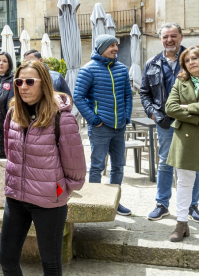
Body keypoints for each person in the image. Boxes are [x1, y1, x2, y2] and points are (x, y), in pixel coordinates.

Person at [0, 61, 86, 275]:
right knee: (7, 260)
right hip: (16, 198)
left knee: (51, 263)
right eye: (19, 81)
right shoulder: (13, 114)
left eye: (30, 81)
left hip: (49, 202)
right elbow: (10, 152)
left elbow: (75, 166)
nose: (23, 86)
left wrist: (59, 190)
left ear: (44, 84)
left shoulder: (61, 118)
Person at [140, 22, 199, 221]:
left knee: (193, 163)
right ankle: (162, 204)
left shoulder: (191, 59)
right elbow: (145, 92)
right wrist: (152, 114)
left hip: (191, 122)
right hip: (165, 122)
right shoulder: (152, 63)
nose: (169, 40)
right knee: (165, 162)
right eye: (165, 37)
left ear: (181, 37)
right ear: (160, 39)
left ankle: (192, 205)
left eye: (173, 36)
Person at [74, 34, 133, 216]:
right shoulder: (88, 70)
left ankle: (115, 201)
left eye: (116, 45)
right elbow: (78, 97)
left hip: (119, 126)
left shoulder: (122, 69)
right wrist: (94, 119)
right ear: (101, 48)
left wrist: (126, 117)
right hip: (101, 127)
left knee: (118, 166)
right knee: (97, 166)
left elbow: (128, 95)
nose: (115, 48)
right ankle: (95, 202)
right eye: (111, 46)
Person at [165, 45, 199, 241]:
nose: (191, 62)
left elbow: (179, 108)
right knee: (184, 183)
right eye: (187, 60)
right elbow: (170, 108)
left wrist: (187, 106)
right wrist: (196, 117)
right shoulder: (180, 82)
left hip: (186, 129)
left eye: (195, 58)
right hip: (185, 138)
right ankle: (181, 224)